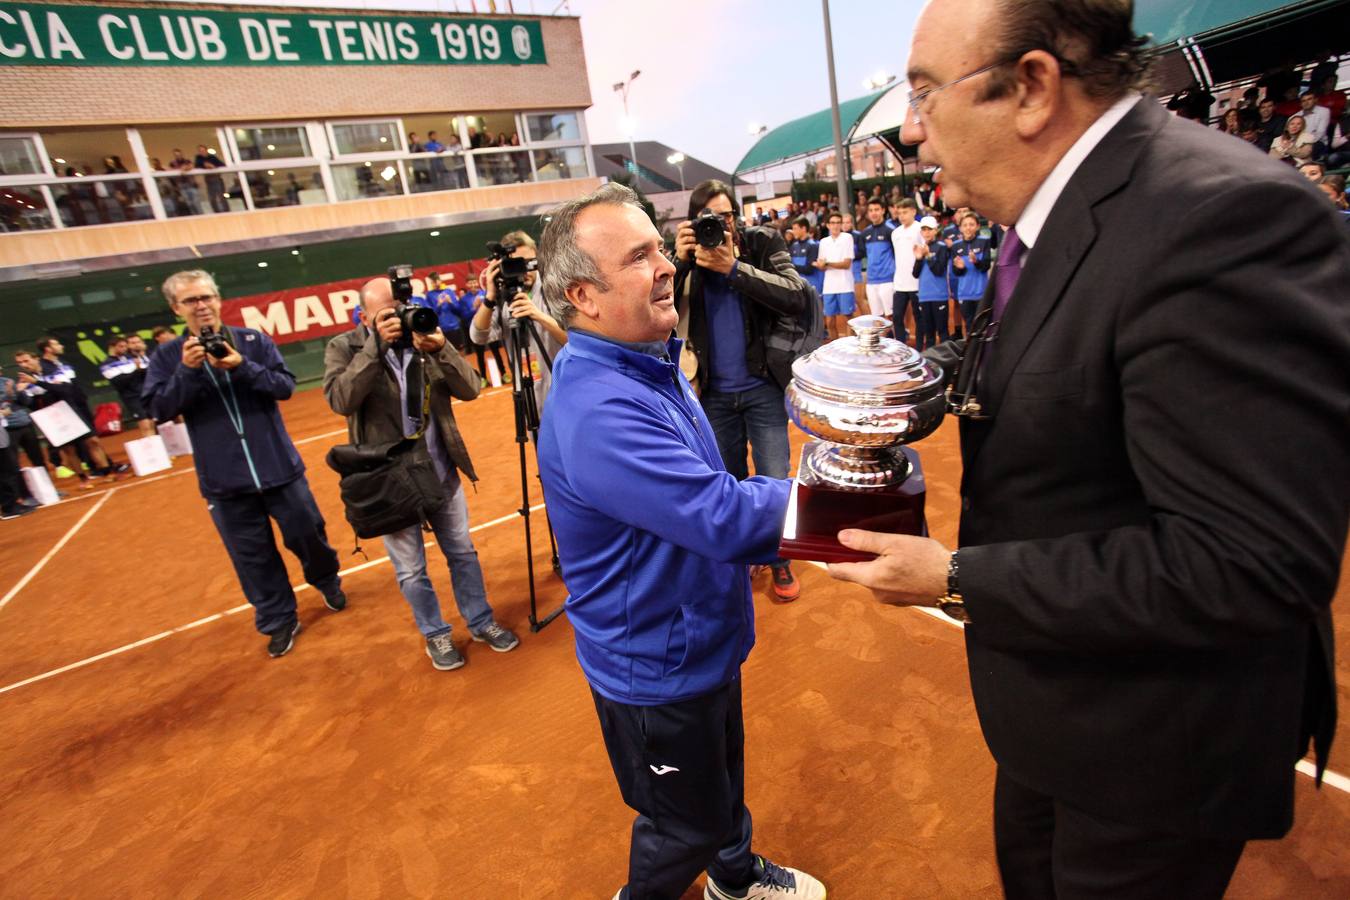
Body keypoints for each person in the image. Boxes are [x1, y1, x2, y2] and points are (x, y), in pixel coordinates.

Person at [829, 2, 1350, 897]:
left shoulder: (1219, 219)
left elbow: (1247, 564)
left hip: (1154, 753)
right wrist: (898, 385)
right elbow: (1058, 366)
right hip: (1058, 712)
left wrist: (956, 578)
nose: (912, 133)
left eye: (923, 93)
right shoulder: (1062, 208)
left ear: (1031, 88)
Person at [536, 181, 825, 900]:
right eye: (639, 258)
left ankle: (733, 878)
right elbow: (721, 515)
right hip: (653, 672)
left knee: (721, 783)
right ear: (584, 297)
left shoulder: (649, 359)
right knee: (680, 827)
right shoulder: (600, 407)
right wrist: (851, 509)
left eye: (659, 247)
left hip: (697, 640)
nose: (666, 264)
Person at [144, 270, 347, 658]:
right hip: (224, 482)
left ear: (218, 300)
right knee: (252, 557)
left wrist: (241, 366)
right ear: (176, 308)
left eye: (206, 297)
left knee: (309, 533)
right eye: (190, 301)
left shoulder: (253, 341)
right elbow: (158, 408)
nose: (201, 305)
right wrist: (186, 372)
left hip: (279, 469)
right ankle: (278, 620)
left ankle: (326, 579)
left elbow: (284, 387)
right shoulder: (167, 357)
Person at [323, 277, 519, 669]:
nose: (398, 319)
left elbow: (471, 388)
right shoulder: (344, 347)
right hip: (391, 479)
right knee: (411, 569)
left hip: (440, 469)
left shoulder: (424, 336)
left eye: (400, 309)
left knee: (462, 552)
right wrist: (375, 348)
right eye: (386, 315)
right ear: (364, 317)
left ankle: (480, 621)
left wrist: (442, 347)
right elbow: (341, 399)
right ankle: (436, 634)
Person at [674, 179, 813, 602]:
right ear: (694, 223)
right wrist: (678, 263)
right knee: (727, 483)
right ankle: (740, 559)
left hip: (763, 387)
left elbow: (797, 296)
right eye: (710, 219)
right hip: (713, 393)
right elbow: (652, 306)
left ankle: (779, 560)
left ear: (737, 215)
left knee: (774, 478)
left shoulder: (762, 241)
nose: (722, 226)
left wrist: (733, 269)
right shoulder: (686, 258)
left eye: (728, 216)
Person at [469, 231, 566, 410]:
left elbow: (575, 340)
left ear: (537, 257)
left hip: (564, 390)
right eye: (515, 264)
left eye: (528, 263)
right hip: (529, 396)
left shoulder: (556, 289)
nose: (523, 270)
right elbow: (478, 337)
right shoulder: (502, 299)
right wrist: (490, 296)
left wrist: (538, 315)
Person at [99, 335, 155, 437]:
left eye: (125, 346)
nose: (125, 349)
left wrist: (142, 363)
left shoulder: (132, 358)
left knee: (153, 422)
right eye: (121, 346)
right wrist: (136, 370)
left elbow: (145, 372)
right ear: (112, 347)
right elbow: (119, 381)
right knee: (145, 424)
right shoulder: (106, 364)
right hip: (132, 398)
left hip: (146, 393)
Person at [949, 211, 992, 331]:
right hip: (964, 293)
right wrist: (960, 268)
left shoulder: (984, 241)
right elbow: (956, 272)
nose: (968, 227)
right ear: (960, 228)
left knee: (982, 328)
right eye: (965, 225)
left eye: (971, 224)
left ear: (977, 226)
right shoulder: (956, 246)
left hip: (981, 293)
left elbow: (986, 266)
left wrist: (976, 262)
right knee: (969, 327)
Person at [910, 216, 949, 350]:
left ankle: (946, 364)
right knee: (929, 334)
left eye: (929, 229)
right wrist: (919, 258)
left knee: (943, 332)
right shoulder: (921, 248)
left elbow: (939, 270)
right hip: (924, 296)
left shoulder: (942, 247)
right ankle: (932, 364)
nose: (926, 232)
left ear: (935, 231)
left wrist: (928, 256)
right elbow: (915, 274)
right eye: (924, 230)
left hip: (939, 296)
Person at [816, 211, 856, 340]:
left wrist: (826, 263)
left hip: (845, 285)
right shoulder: (823, 242)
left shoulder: (847, 238)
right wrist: (823, 265)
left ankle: (852, 347)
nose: (836, 226)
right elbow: (821, 266)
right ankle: (835, 348)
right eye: (832, 223)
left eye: (838, 223)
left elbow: (846, 264)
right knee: (830, 320)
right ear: (827, 225)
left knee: (849, 318)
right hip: (829, 287)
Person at [890, 198, 923, 344]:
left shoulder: (921, 229)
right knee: (897, 316)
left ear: (914, 212)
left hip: (917, 282)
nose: (902, 216)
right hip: (900, 282)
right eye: (900, 213)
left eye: (905, 212)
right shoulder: (895, 233)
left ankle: (921, 347)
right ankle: (901, 346)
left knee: (919, 317)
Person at [859, 198, 897, 320]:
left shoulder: (890, 230)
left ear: (883, 211)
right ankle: (881, 339)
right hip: (871, 281)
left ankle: (896, 338)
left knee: (891, 316)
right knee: (877, 317)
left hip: (888, 280)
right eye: (871, 210)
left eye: (876, 209)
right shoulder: (865, 233)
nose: (873, 213)